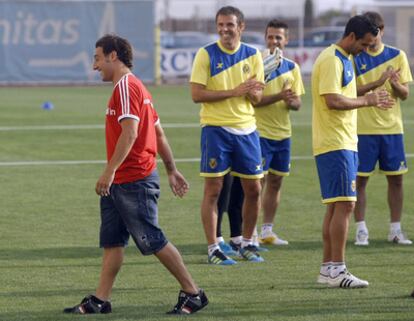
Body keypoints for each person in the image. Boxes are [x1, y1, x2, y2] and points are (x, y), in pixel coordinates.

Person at [64, 34, 208, 315]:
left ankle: (193, 293)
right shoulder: (135, 87)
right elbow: (159, 133)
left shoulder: (127, 87)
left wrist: (109, 170)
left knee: (152, 239)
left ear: (113, 56)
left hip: (133, 179)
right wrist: (171, 170)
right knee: (113, 242)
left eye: (97, 58)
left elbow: (130, 133)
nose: (95, 66)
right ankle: (101, 299)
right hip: (122, 180)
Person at [312, 16, 394, 288]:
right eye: (365, 44)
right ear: (351, 37)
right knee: (347, 205)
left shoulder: (344, 59)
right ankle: (338, 269)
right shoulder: (331, 59)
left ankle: (327, 270)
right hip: (335, 142)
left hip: (343, 141)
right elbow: (333, 100)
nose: (367, 49)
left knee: (338, 205)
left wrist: (372, 89)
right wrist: (367, 101)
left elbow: (347, 90)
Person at [190, 6, 266, 265]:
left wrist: (251, 92)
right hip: (216, 129)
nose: (224, 29)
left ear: (241, 27)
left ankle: (246, 243)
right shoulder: (206, 54)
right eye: (220, 25)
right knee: (214, 189)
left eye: (229, 25)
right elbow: (196, 94)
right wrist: (234, 91)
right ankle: (214, 248)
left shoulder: (253, 54)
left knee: (254, 188)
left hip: (247, 129)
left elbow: (257, 98)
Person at [353, 11, 413, 246]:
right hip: (362, 129)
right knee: (360, 181)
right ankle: (361, 229)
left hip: (392, 129)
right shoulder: (355, 56)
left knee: (396, 180)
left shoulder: (397, 56)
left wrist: (395, 83)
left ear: (382, 30)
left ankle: (395, 230)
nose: (372, 38)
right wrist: (377, 81)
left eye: (376, 32)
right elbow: (351, 91)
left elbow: (405, 94)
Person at [254, 19, 305, 246]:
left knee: (276, 182)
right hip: (260, 133)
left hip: (283, 134)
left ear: (286, 40)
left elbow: (297, 103)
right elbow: (253, 101)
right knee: (257, 184)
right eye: (270, 36)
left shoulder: (292, 68)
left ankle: (267, 231)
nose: (274, 41)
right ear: (265, 38)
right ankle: (250, 232)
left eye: (278, 37)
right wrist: (279, 96)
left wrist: (292, 101)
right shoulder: (258, 65)